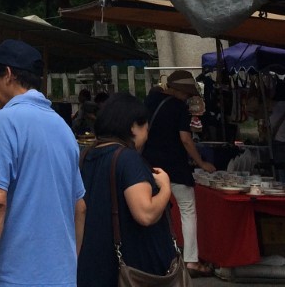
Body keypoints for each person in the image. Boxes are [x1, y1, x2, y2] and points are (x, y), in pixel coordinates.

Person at [0, 39, 85, 287]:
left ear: (9, 75)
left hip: (18, 276)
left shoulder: (5, 120)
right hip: (63, 276)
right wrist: (70, 264)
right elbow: (80, 207)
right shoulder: (63, 128)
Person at [77, 94, 178, 287]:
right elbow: (145, 214)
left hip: (92, 265)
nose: (147, 134)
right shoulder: (128, 159)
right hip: (128, 268)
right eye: (145, 127)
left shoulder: (87, 156)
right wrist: (165, 187)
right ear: (133, 126)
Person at [143, 69, 216, 276]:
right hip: (175, 167)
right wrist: (201, 162)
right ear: (179, 91)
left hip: (149, 166)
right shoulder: (178, 108)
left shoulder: (149, 102)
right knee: (187, 209)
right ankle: (191, 260)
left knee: (154, 212)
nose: (186, 97)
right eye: (186, 93)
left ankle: (155, 256)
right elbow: (185, 139)